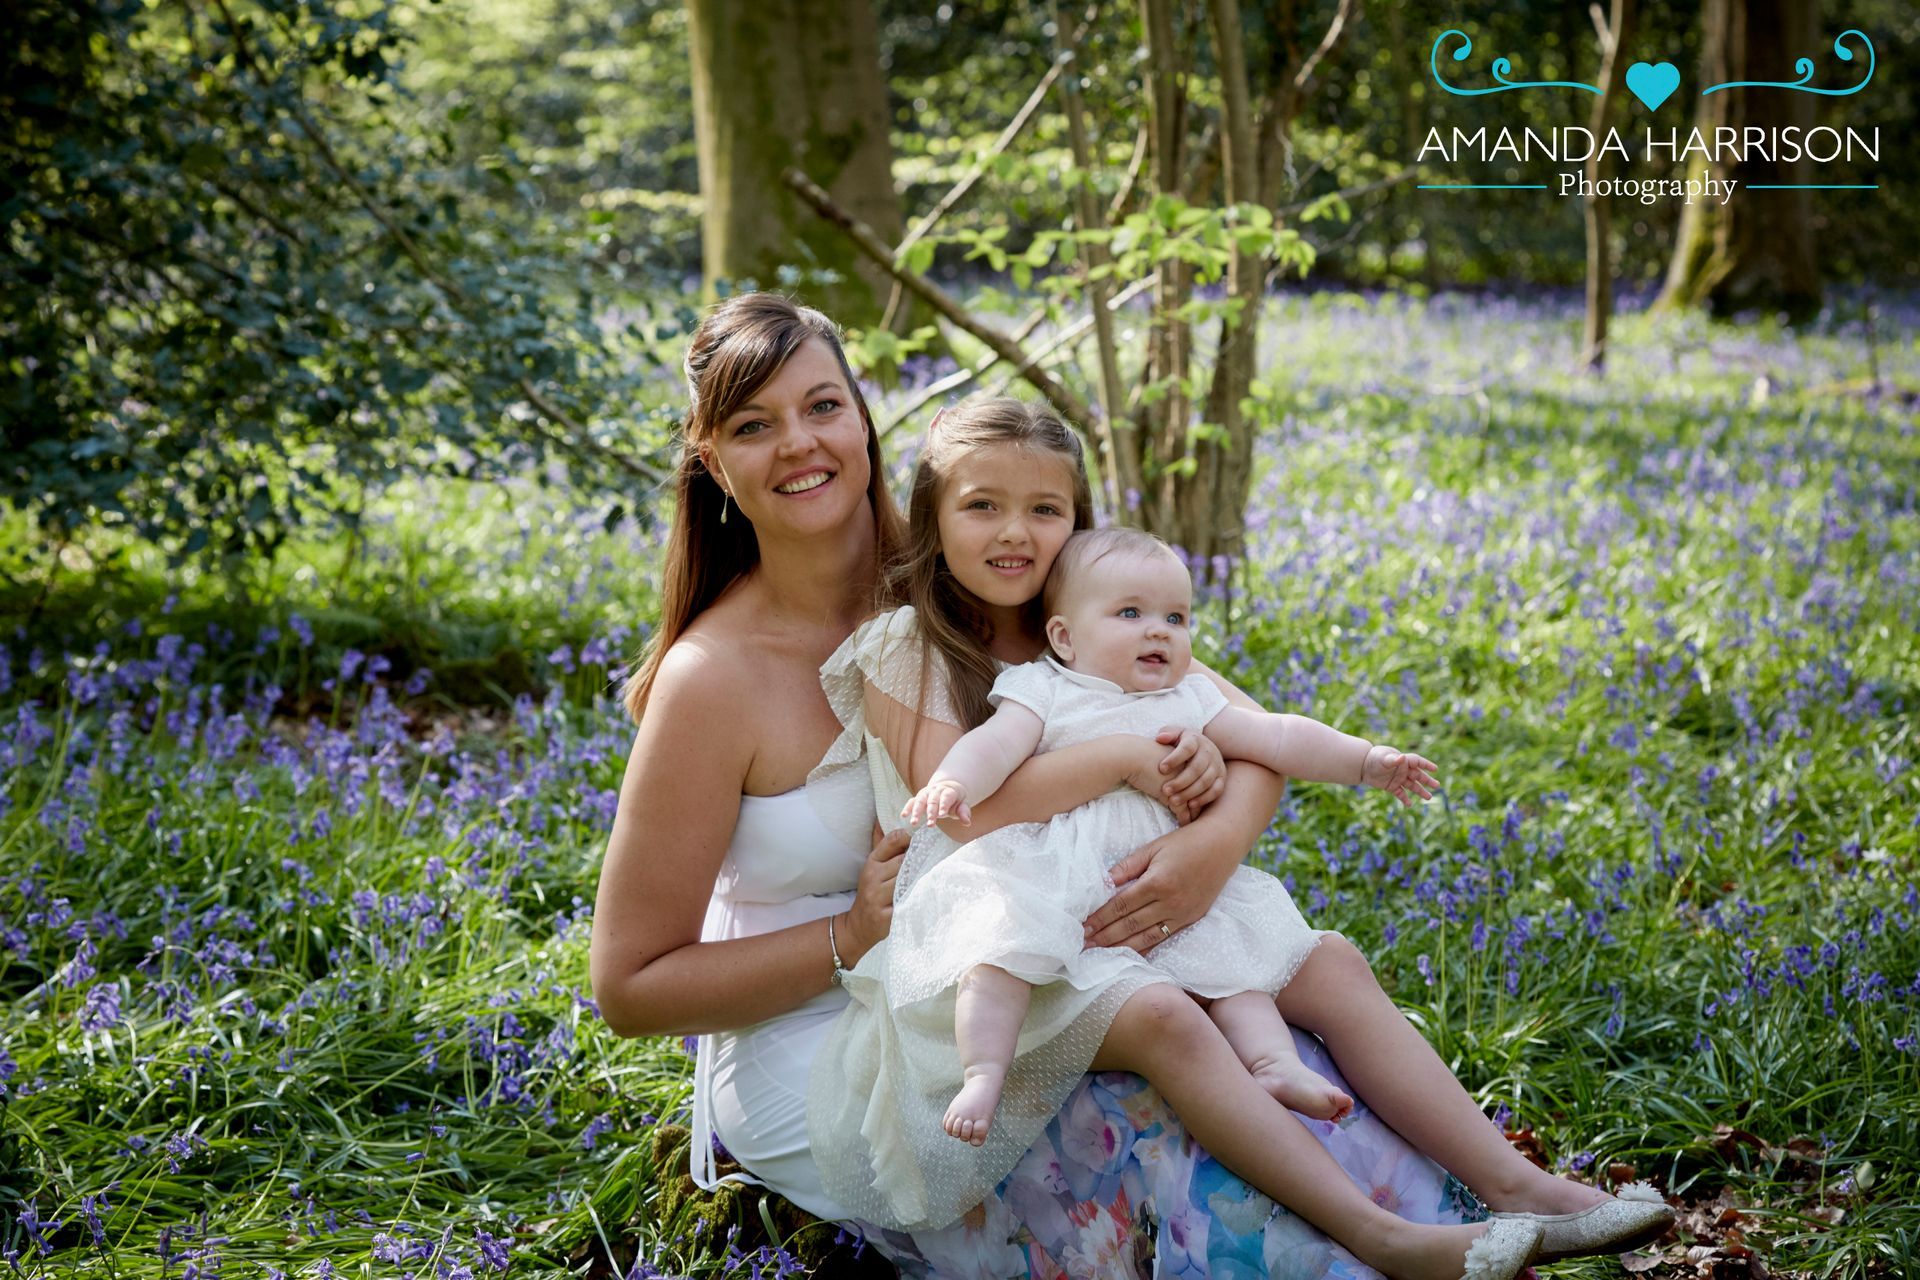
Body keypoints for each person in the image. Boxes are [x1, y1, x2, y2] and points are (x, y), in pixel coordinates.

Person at [586, 296, 1663, 1279]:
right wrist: (849, 935)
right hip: (827, 1027)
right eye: (755, 424)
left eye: (823, 406)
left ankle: (1505, 1200)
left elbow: (1229, 726)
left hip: (1051, 941)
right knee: (1152, 1091)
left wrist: (1208, 851)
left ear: (865, 423)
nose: (800, 443)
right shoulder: (716, 677)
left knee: (1293, 1003)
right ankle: (1377, 1248)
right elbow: (630, 988)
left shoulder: (984, 555)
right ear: (712, 461)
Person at [894, 525, 1440, 1147]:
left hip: (1165, 887)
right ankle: (983, 1071)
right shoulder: (1043, 689)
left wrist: (1366, 762)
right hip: (1056, 879)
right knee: (999, 957)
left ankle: (1274, 1064)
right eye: (1131, 613)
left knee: (1236, 969)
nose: (1159, 631)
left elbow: (1279, 736)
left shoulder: (1190, 699)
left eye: (1176, 618)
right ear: (1064, 637)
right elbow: (993, 746)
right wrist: (952, 782)